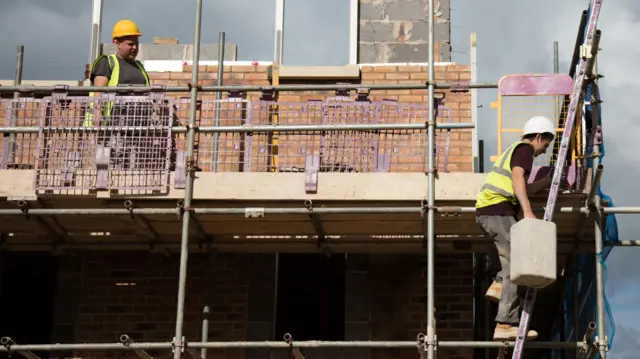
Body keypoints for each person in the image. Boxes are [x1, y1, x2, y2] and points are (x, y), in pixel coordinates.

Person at [475, 115, 557, 341]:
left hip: (493, 210)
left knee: (513, 261)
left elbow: (522, 186)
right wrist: (528, 211)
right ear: (538, 137)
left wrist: (546, 183)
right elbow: (518, 179)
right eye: (545, 144)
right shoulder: (525, 149)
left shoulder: (516, 150)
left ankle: (499, 284)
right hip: (497, 210)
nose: (543, 151)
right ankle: (505, 324)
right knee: (518, 261)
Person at [83, 19, 151, 127]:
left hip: (138, 129)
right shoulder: (107, 61)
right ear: (118, 43)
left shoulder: (139, 66)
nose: (135, 47)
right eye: (130, 44)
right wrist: (97, 113)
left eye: (136, 44)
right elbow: (98, 90)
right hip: (111, 128)